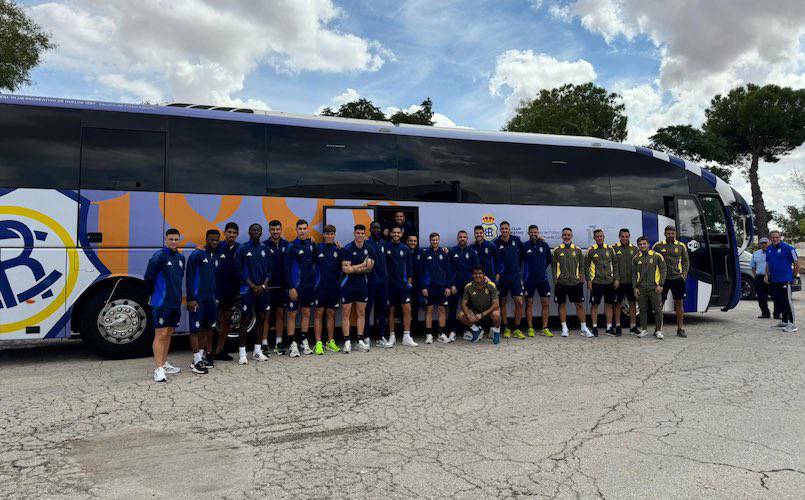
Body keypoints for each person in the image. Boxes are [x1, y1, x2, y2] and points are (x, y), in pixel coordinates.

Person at [145, 228, 186, 382]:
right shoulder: (159, 256)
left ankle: (164, 362)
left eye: (176, 239)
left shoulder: (181, 258)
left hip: (174, 303)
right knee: (160, 334)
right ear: (165, 240)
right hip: (161, 302)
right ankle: (158, 369)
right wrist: (151, 295)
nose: (174, 242)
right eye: (171, 239)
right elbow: (149, 277)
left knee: (169, 332)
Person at [236, 223, 272, 364]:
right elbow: (238, 270)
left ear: (261, 232)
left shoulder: (265, 249)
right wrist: (253, 286)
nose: (256, 232)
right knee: (245, 320)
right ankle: (242, 353)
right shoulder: (243, 248)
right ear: (249, 232)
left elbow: (270, 270)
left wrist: (263, 286)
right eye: (253, 230)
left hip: (262, 291)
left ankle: (257, 351)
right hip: (247, 291)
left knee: (262, 319)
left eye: (258, 230)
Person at [185, 229, 221, 374]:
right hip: (198, 299)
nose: (214, 242)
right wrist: (191, 298)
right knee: (195, 329)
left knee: (208, 328)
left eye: (217, 240)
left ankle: (200, 357)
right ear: (206, 239)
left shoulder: (217, 256)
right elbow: (189, 277)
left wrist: (216, 298)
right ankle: (196, 360)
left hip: (211, 299)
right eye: (212, 239)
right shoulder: (197, 254)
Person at [340, 224, 375, 353]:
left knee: (361, 313)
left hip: (362, 285)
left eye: (362, 233)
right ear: (354, 233)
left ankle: (359, 340)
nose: (360, 235)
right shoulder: (347, 249)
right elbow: (346, 270)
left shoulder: (369, 248)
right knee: (346, 313)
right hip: (347, 285)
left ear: (365, 234)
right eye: (358, 233)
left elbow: (369, 268)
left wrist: (354, 268)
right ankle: (347, 341)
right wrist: (361, 265)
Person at [285, 219, 317, 358]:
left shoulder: (311, 245)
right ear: (296, 230)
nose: (303, 231)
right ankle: (292, 344)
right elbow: (285, 269)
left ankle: (304, 341)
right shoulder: (291, 246)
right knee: (292, 314)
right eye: (300, 229)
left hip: (308, 287)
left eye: (305, 228)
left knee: (306, 313)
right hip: (295, 287)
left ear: (308, 229)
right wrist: (291, 287)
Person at [552, 228, 591, 338]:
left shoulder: (577, 250)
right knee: (562, 304)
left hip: (575, 282)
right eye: (564, 235)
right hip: (562, 282)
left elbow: (582, 265)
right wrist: (555, 280)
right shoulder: (557, 250)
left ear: (572, 236)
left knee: (579, 305)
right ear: (562, 236)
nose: (566, 236)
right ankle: (564, 328)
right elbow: (553, 267)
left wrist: (581, 276)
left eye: (568, 235)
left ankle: (583, 328)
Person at [653, 225, 690, 337]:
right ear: (665, 234)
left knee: (679, 304)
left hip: (677, 279)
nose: (670, 235)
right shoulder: (658, 246)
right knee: (660, 305)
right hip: (663, 280)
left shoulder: (681, 246)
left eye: (672, 233)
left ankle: (680, 329)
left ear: (676, 234)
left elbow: (686, 262)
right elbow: (652, 262)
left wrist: (683, 276)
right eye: (668, 233)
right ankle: (658, 329)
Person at [418, 232, 454, 344]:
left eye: (437, 240)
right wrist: (424, 287)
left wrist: (448, 286)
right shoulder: (425, 253)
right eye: (433, 240)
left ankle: (441, 333)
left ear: (439, 240)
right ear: (430, 240)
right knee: (429, 309)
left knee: (442, 309)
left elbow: (449, 271)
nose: (435, 241)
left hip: (442, 286)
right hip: (429, 287)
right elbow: (421, 272)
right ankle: (428, 334)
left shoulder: (444, 253)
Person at [386, 226, 418, 347]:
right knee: (391, 310)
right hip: (390, 285)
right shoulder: (386, 247)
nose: (396, 234)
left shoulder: (405, 248)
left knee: (407, 309)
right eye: (394, 232)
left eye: (398, 232)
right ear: (390, 233)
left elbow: (410, 267)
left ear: (401, 234)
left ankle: (406, 336)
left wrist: (408, 282)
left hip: (403, 285)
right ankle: (392, 337)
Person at [313, 225, 342, 354]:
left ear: (334, 235)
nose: (329, 236)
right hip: (320, 288)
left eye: (332, 234)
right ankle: (318, 343)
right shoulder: (317, 248)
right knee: (319, 314)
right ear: (323, 235)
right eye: (327, 234)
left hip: (333, 288)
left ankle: (330, 341)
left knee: (331, 314)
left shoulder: (338, 249)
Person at [494, 221, 525, 339]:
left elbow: (523, 254)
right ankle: (506, 327)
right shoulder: (496, 243)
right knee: (502, 302)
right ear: (500, 230)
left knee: (519, 302)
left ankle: (517, 328)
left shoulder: (516, 240)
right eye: (502, 229)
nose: (504, 230)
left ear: (509, 229)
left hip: (515, 277)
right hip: (502, 277)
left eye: (506, 228)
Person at [585, 229, 619, 337]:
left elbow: (615, 264)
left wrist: (616, 279)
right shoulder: (591, 250)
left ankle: (609, 327)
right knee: (595, 305)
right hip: (596, 282)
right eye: (597, 237)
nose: (599, 238)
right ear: (594, 238)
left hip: (609, 281)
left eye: (601, 236)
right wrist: (589, 280)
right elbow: (586, 267)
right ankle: (594, 327)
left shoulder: (610, 249)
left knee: (609, 304)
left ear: (604, 237)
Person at [213, 222, 239, 361]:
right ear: (224, 233)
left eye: (234, 233)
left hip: (231, 291)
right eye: (229, 232)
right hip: (216, 290)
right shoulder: (218, 246)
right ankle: (205, 352)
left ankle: (219, 350)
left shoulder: (240, 248)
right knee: (210, 322)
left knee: (226, 321)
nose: (232, 235)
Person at [765, 230, 799, 333]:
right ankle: (784, 322)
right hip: (774, 279)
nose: (775, 239)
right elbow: (768, 263)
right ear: (770, 238)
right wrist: (766, 275)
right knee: (779, 301)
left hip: (785, 279)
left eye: (777, 237)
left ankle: (792, 324)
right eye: (773, 238)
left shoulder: (788, 248)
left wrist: (794, 277)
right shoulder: (769, 249)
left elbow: (797, 263)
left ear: (780, 237)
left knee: (787, 301)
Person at [633, 236, 666, 339]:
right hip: (641, 288)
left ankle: (659, 330)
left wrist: (661, 284)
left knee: (657, 310)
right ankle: (644, 329)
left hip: (654, 288)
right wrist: (635, 288)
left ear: (648, 244)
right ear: (638, 246)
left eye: (644, 244)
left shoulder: (657, 256)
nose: (642, 246)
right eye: (640, 244)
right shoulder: (636, 258)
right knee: (642, 310)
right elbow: (634, 275)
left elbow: (663, 270)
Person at [458, 266, 502, 344]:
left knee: (496, 314)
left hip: (489, 311)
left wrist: (482, 314)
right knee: (461, 315)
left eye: (479, 273)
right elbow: (463, 304)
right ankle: (476, 330)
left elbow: (496, 304)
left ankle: (496, 332)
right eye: (475, 273)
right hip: (476, 311)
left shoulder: (491, 285)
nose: (477, 275)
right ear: (472, 275)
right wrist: (468, 315)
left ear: (483, 274)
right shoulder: (468, 287)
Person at [449, 230, 480, 341]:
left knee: (468, 309)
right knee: (453, 308)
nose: (462, 239)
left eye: (464, 237)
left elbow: (476, 269)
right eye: (460, 237)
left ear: (467, 239)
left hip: (468, 286)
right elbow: (449, 269)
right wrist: (451, 284)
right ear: (458, 238)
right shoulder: (452, 251)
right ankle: (452, 331)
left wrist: (474, 284)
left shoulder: (472, 252)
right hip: (455, 286)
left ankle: (468, 330)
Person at [523, 225, 553, 337]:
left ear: (538, 232)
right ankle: (530, 328)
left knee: (545, 303)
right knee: (529, 303)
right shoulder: (524, 246)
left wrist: (541, 268)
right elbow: (520, 260)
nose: (533, 234)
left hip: (542, 279)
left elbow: (549, 260)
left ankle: (545, 327)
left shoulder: (544, 245)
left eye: (535, 232)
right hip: (529, 279)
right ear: (528, 233)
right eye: (531, 232)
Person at [265, 220, 289, 354]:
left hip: (282, 286)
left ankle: (279, 343)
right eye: (273, 229)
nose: (275, 232)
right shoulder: (264, 245)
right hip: (267, 288)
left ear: (281, 230)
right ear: (269, 230)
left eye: (277, 229)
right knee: (266, 316)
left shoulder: (287, 245)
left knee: (280, 315)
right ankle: (264, 344)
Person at [366, 221, 390, 347]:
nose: (376, 230)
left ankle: (381, 336)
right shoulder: (366, 243)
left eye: (378, 228)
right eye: (374, 228)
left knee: (382, 310)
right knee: (367, 309)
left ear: (380, 230)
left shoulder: (384, 244)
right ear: (370, 229)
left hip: (383, 282)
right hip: (370, 282)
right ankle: (366, 336)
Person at [612, 228, 640, 336]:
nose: (624, 238)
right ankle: (618, 326)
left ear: (629, 236)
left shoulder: (635, 249)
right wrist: (616, 279)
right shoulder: (614, 248)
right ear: (619, 237)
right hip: (619, 282)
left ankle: (633, 326)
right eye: (622, 236)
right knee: (618, 304)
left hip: (631, 282)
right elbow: (613, 266)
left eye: (626, 236)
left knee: (632, 304)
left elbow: (637, 266)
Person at [751, 238, 773, 318]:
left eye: (765, 243)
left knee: (776, 296)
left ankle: (777, 313)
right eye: (762, 243)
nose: (764, 244)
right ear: (759, 244)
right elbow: (753, 266)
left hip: (772, 277)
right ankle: (765, 313)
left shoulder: (773, 252)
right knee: (761, 296)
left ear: (769, 243)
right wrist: (755, 276)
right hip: (759, 277)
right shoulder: (755, 254)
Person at [406, 234, 421, 335]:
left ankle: (414, 330)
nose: (413, 243)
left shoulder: (420, 252)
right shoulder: (403, 251)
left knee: (415, 306)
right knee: (406, 307)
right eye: (411, 241)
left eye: (415, 241)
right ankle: (406, 330)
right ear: (407, 242)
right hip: (405, 283)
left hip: (417, 283)